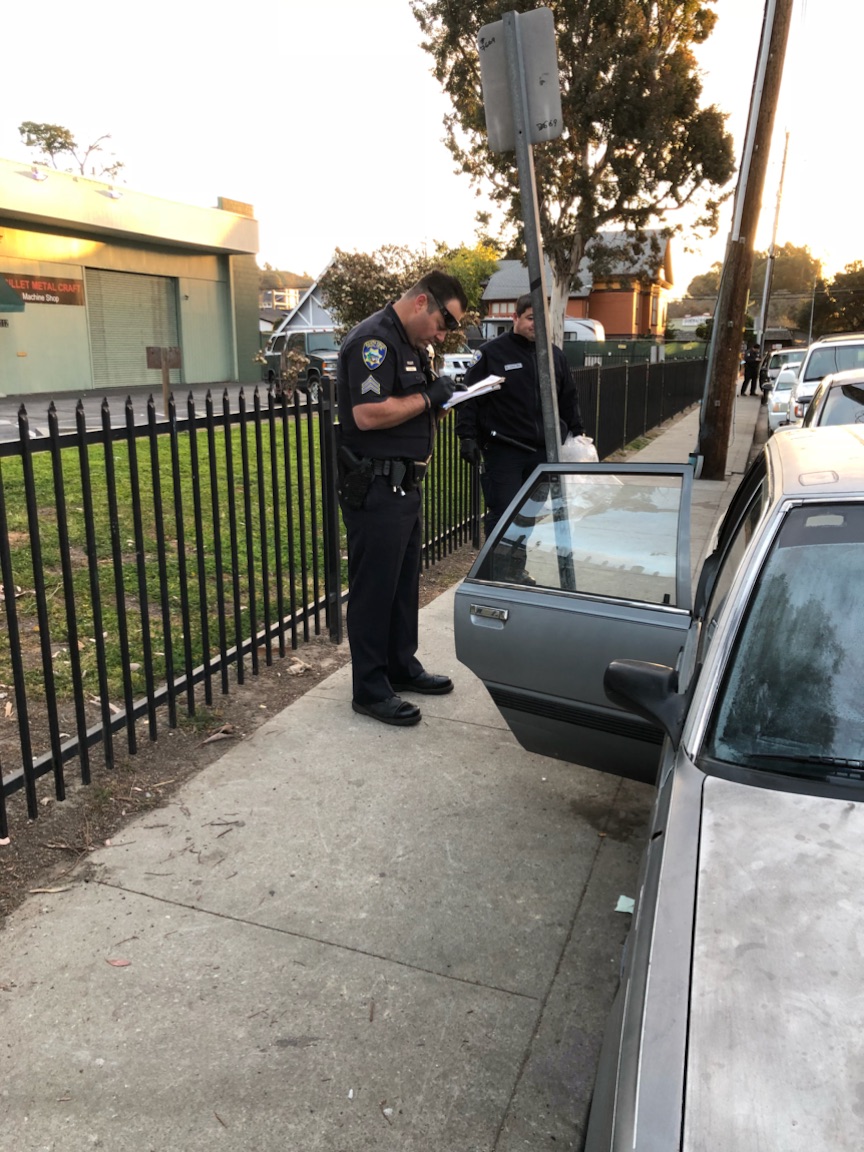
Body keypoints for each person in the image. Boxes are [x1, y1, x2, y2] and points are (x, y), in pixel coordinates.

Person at [335, 270, 468, 728]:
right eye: (444, 323)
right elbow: (369, 414)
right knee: (375, 590)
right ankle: (370, 689)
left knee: (402, 585)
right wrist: (429, 399)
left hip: (404, 485)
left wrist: (439, 402)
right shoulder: (373, 342)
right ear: (422, 302)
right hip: (376, 486)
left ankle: (399, 666)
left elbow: (410, 410)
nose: (443, 335)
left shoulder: (410, 345)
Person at [456, 294, 585, 537]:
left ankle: (518, 561)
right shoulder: (491, 354)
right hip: (505, 451)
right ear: (515, 317)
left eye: (542, 319)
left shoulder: (555, 356)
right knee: (504, 516)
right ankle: (498, 562)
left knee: (528, 516)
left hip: (542, 452)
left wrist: (577, 434)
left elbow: (568, 398)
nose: (536, 324)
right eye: (530, 318)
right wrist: (467, 436)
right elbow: (470, 397)